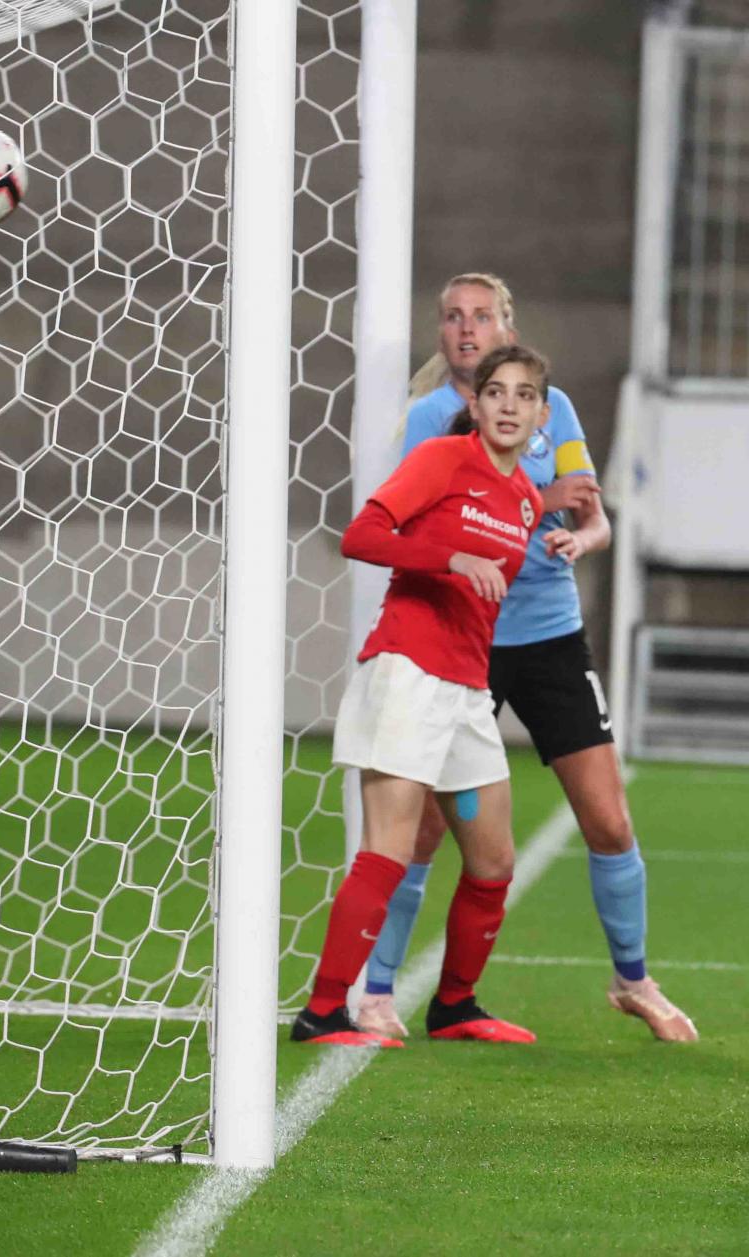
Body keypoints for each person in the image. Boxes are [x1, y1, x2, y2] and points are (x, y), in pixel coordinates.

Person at [354, 271, 696, 1044]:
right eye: (452, 317)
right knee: (425, 830)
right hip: (462, 638)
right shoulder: (429, 419)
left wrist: (583, 535)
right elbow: (444, 517)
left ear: (507, 326)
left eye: (481, 315)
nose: (466, 329)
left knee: (608, 817)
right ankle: (377, 992)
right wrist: (541, 502)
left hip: (550, 633)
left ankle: (633, 979)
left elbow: (591, 509)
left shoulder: (553, 406)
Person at [290, 344, 553, 1048]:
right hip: (407, 673)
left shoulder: (527, 501)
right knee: (389, 849)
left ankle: (455, 1005)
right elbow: (361, 536)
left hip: (466, 691)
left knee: (494, 862)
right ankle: (323, 1011)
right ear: (475, 403)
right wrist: (450, 557)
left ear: (542, 415)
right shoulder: (442, 460)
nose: (508, 405)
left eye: (524, 395)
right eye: (496, 391)